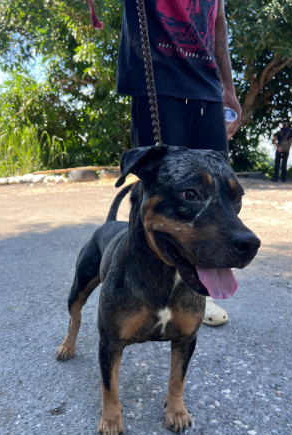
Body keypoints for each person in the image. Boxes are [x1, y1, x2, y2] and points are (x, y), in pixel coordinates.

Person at [89, 0, 242, 325]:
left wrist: (227, 86)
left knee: (217, 194)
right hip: (156, 77)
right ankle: (140, 292)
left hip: (208, 86)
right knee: (161, 194)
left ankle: (201, 292)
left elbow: (217, 22)